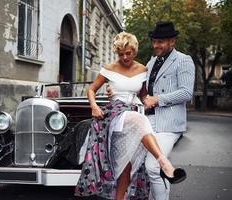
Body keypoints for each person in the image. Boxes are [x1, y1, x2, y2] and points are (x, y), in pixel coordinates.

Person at [75, 31, 186, 200]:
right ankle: (164, 163)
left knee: (126, 165)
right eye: (121, 54)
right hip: (115, 114)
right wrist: (94, 106)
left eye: (129, 53)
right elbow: (91, 89)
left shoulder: (143, 70)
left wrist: (152, 100)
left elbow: (143, 95)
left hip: (134, 113)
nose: (125, 57)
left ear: (135, 51)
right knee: (140, 119)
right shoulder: (109, 69)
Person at [107, 22, 195, 200]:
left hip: (169, 124)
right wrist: (116, 91)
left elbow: (186, 92)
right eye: (154, 41)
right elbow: (143, 93)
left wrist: (158, 99)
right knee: (135, 164)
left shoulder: (183, 60)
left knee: (153, 167)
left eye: (160, 42)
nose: (155, 46)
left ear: (172, 41)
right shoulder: (151, 62)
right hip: (147, 122)